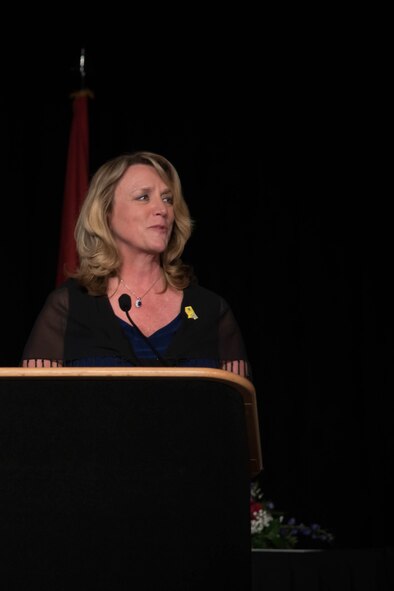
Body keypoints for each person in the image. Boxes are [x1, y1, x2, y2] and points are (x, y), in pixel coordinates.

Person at [21, 151, 251, 379]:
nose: (162, 210)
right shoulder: (68, 307)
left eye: (167, 199)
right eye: (143, 197)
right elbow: (35, 407)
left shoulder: (212, 311)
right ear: (106, 213)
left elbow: (239, 408)